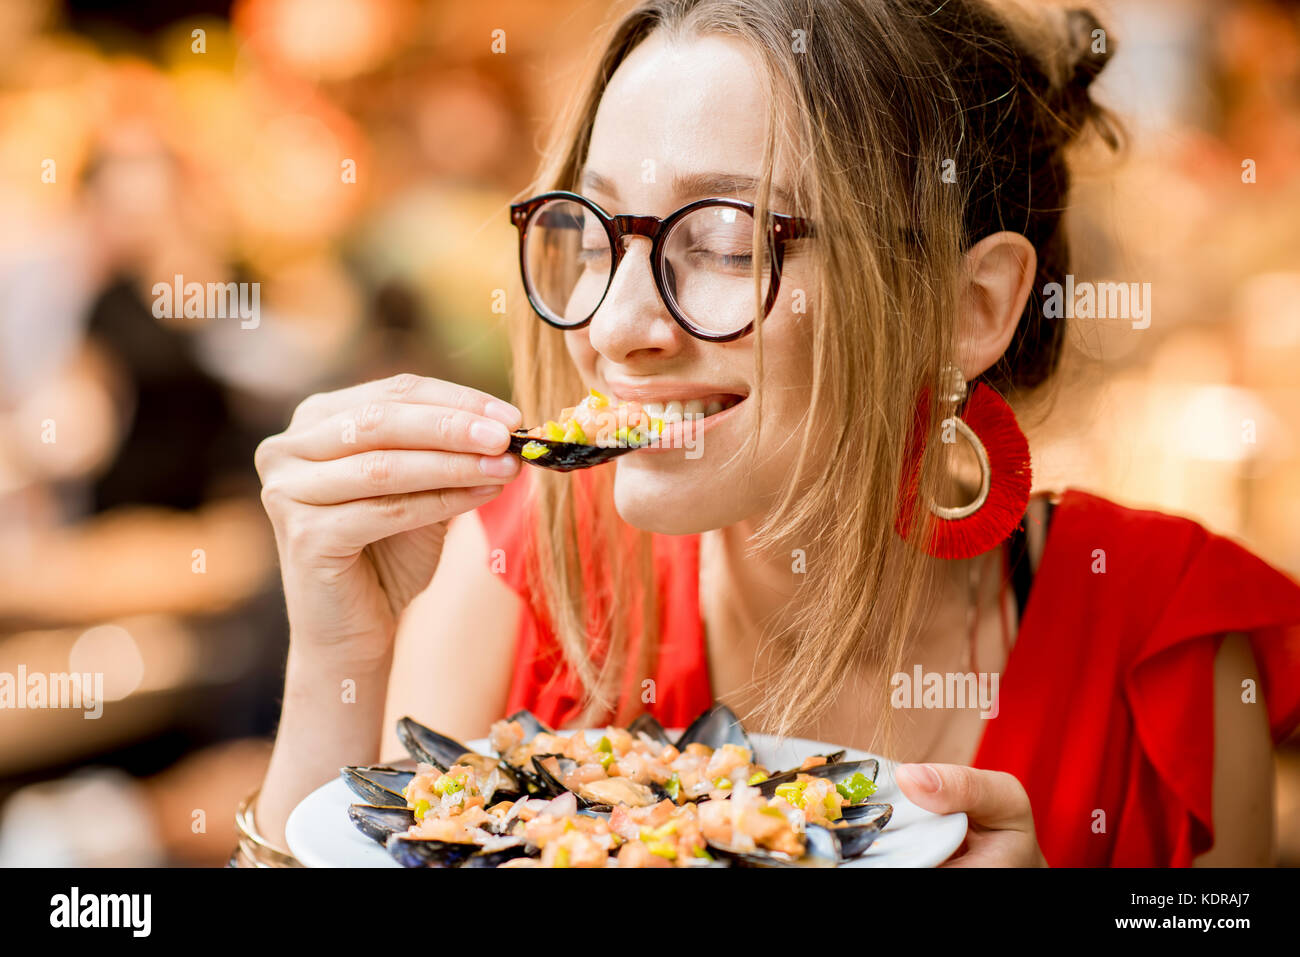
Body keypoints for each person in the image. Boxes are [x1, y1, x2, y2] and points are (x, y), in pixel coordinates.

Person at [244, 0, 1300, 866]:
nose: (616, 327)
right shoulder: (505, 579)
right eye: (598, 230)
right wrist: (337, 660)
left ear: (969, 307)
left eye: (726, 241)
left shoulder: (1168, 644)